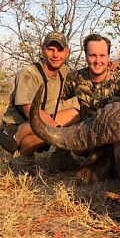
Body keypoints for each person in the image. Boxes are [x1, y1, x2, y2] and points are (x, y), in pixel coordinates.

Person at [0, 31, 81, 174]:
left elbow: (87, 80)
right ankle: (21, 158)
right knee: (44, 128)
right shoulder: (28, 73)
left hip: (46, 119)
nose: (56, 55)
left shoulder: (65, 71)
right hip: (16, 129)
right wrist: (61, 132)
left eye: (60, 50)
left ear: (67, 52)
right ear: (42, 49)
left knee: (76, 113)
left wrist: (108, 68)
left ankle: (61, 159)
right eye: (51, 49)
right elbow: (30, 112)